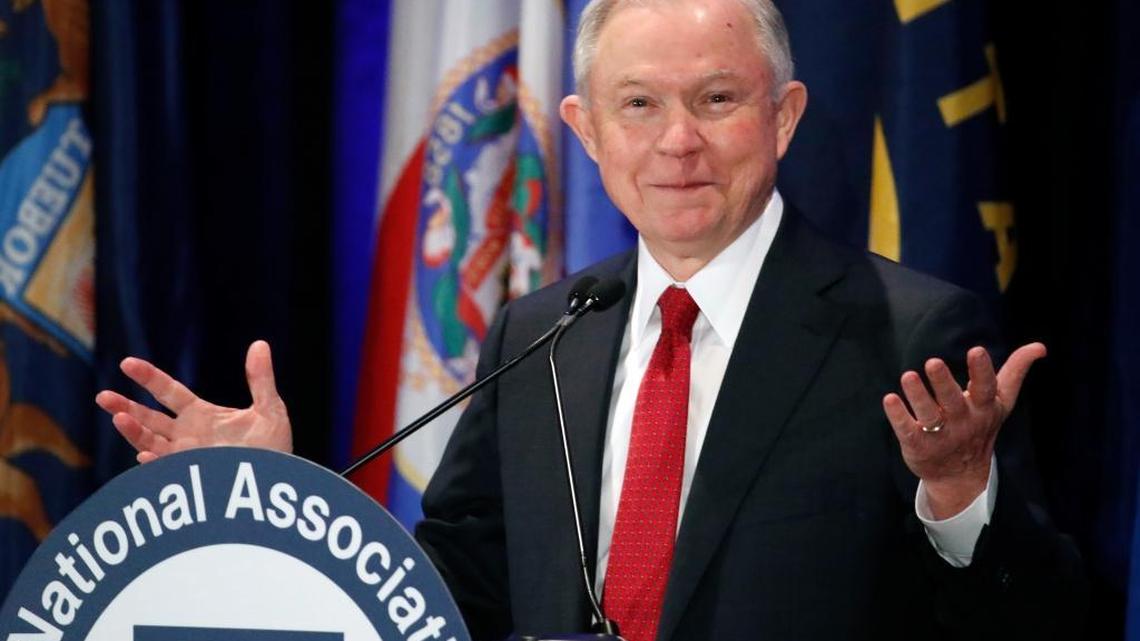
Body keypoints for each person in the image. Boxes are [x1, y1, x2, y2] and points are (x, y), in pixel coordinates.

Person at [97, 0, 1086, 639]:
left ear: (783, 117)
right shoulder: (539, 332)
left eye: (717, 99)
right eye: (640, 104)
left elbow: (1045, 615)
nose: (679, 141)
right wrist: (283, 495)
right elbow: (446, 586)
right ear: (586, 130)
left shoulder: (910, 335)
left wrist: (960, 496)